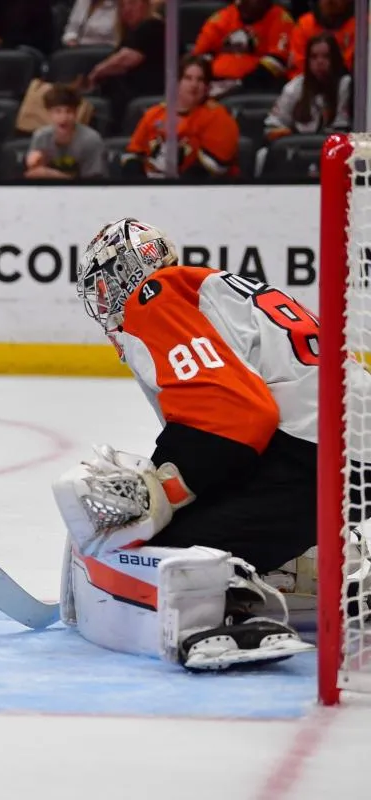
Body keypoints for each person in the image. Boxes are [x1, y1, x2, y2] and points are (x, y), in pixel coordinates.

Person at [53, 216, 331, 670]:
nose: (102, 302)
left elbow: (239, 418)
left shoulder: (154, 297)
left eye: (103, 285)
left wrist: (164, 491)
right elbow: (230, 418)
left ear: (125, 274)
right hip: (341, 443)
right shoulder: (202, 289)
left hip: (310, 453)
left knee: (169, 552)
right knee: (202, 506)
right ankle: (302, 567)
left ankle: (219, 621)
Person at [122, 56, 239, 180]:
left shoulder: (218, 117)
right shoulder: (153, 115)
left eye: (200, 80)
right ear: (177, 83)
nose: (194, 85)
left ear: (207, 87)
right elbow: (132, 155)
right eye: (188, 78)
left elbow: (216, 167)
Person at [87, 0, 164, 134]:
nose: (127, 9)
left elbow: (126, 59)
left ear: (145, 4)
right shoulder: (130, 34)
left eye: (132, 3)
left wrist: (96, 72)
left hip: (143, 95)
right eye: (122, 5)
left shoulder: (153, 26)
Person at [192, 0, 294, 96]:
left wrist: (240, 84)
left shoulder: (281, 19)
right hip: (215, 84)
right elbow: (200, 56)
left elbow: (278, 61)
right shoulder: (222, 17)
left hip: (258, 87)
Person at [264, 32, 350, 142]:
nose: (320, 62)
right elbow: (273, 124)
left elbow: (343, 126)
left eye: (326, 56)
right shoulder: (294, 87)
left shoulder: (345, 84)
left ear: (335, 59)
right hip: (299, 146)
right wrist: (283, 132)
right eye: (314, 57)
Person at [25, 84, 107, 180]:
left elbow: (93, 185)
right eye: (57, 111)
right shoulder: (41, 137)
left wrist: (51, 174)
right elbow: (32, 175)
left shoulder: (91, 140)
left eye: (69, 111)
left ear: (76, 113)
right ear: (49, 113)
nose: (64, 118)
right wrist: (33, 165)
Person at [288, 0, 354, 79]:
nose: (330, 1)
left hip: (347, 84)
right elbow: (299, 65)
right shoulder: (305, 24)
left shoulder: (363, 25)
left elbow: (352, 67)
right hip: (308, 85)